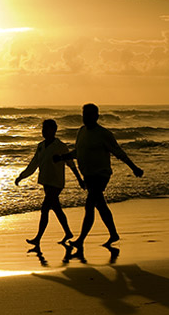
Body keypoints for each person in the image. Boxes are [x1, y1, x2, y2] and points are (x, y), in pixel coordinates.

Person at [54, 103, 143, 248]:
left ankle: (81, 240)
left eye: (90, 114)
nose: (86, 117)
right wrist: (62, 157)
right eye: (84, 115)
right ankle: (113, 234)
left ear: (97, 116)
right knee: (100, 205)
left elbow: (118, 152)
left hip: (101, 175)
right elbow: (78, 152)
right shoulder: (81, 131)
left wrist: (134, 168)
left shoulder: (104, 134)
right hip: (88, 175)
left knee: (89, 205)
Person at [15, 119, 85, 245]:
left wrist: (80, 180)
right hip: (46, 181)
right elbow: (34, 164)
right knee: (57, 208)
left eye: (46, 129)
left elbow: (71, 164)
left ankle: (38, 239)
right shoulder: (41, 146)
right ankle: (68, 232)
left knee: (45, 208)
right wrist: (22, 176)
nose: (44, 131)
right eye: (43, 129)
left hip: (56, 182)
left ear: (54, 130)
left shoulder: (60, 146)